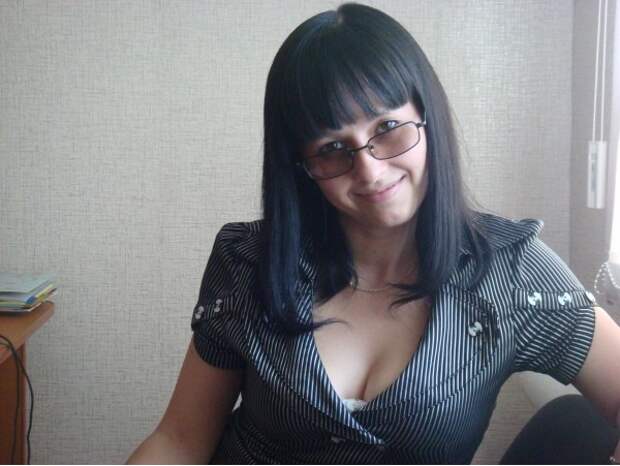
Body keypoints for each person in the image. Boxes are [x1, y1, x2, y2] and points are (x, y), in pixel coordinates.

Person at [127, 3, 620, 464]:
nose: (370, 170)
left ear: (426, 117)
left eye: (388, 127)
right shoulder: (250, 263)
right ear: (301, 166)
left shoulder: (512, 271)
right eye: (332, 148)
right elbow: (180, 439)